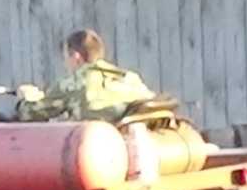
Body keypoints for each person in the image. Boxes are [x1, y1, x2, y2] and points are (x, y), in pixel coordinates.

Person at [15, 29, 156, 123]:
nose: (65, 64)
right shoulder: (129, 77)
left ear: (76, 57)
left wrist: (27, 98)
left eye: (66, 58)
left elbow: (29, 114)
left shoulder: (74, 82)